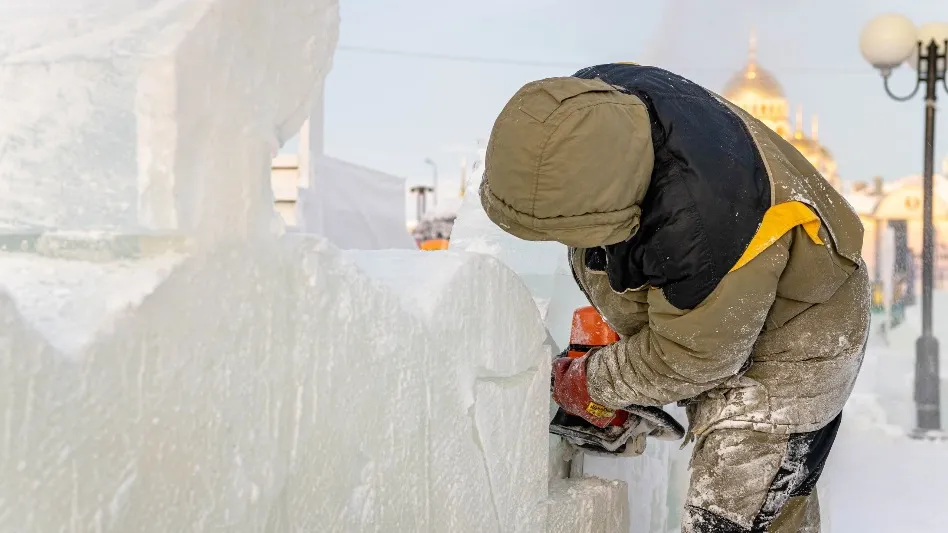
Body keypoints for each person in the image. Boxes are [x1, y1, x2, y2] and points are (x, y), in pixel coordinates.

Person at [479, 63, 870, 533]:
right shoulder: (586, 111)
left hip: (803, 332)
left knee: (733, 512)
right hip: (722, 302)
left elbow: (695, 356)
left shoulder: (706, 226)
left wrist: (595, 381)